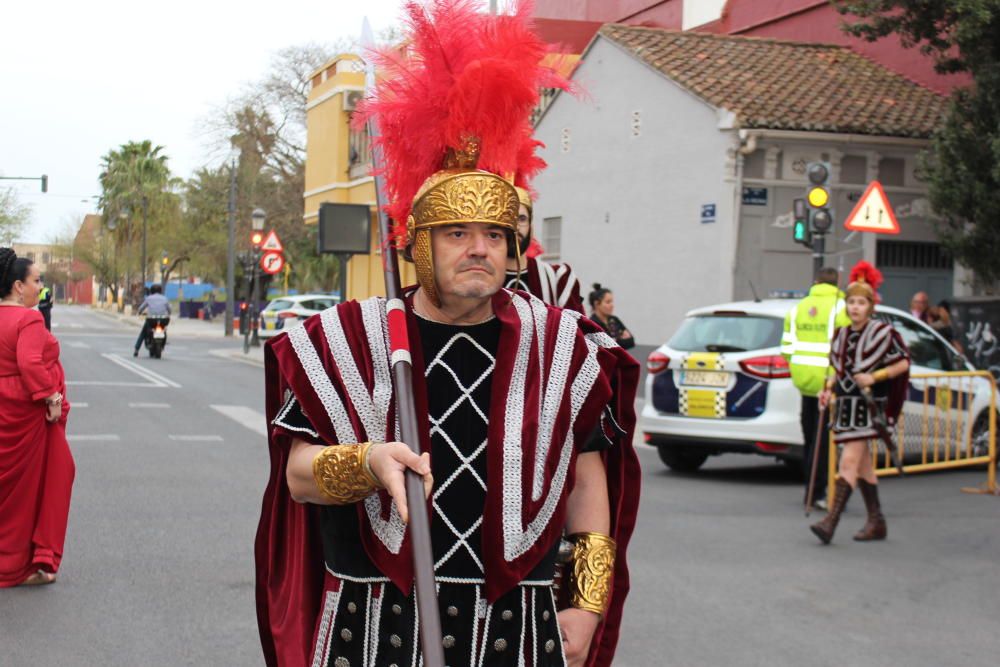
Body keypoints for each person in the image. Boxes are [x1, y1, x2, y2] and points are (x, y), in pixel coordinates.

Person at [255, 4, 640, 666]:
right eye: (457, 234)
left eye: (494, 235)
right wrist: (368, 462)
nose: (478, 250)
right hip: (374, 627)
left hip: (518, 627)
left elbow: (586, 481)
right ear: (415, 244)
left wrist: (585, 603)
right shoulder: (349, 339)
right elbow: (296, 475)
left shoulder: (561, 348)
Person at [811, 261, 910, 545]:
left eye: (861, 302)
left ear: (870, 306)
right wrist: (827, 389)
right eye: (851, 302)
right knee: (864, 465)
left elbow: (903, 363)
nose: (855, 307)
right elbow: (836, 371)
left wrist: (875, 376)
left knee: (849, 460)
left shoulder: (883, 333)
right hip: (845, 408)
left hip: (870, 406)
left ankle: (830, 522)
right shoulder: (840, 335)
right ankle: (877, 521)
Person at [0, 248, 74, 587]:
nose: (40, 287)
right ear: (18, 286)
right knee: (35, 488)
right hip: (25, 413)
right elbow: (30, 363)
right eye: (36, 280)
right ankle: (25, 562)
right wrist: (52, 396)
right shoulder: (28, 319)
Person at [780, 267, 849, 509]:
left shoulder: (798, 308)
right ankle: (817, 492)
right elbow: (846, 347)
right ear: (836, 284)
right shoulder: (841, 309)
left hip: (804, 382)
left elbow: (787, 346)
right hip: (829, 382)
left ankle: (811, 489)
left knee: (811, 438)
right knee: (826, 441)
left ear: (816, 282)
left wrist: (798, 368)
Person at [504, 187, 584, 314]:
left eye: (522, 219)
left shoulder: (558, 278)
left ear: (531, 228)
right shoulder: (482, 276)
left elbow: (577, 331)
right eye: (507, 218)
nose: (515, 227)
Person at [587, 284, 634, 350]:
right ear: (597, 304)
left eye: (612, 301)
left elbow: (631, 341)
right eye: (608, 302)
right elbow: (606, 347)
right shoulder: (592, 323)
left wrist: (615, 341)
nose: (612, 305)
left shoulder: (614, 319)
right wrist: (620, 339)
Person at [133, 284, 171, 357]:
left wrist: (140, 312)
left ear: (151, 291)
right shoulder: (165, 298)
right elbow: (169, 309)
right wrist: (168, 313)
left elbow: (141, 308)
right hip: (163, 319)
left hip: (151, 320)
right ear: (160, 291)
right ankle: (163, 344)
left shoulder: (149, 298)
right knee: (164, 330)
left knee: (143, 332)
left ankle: (136, 349)